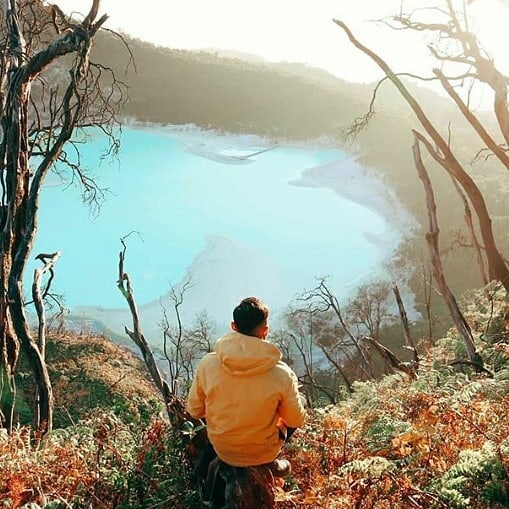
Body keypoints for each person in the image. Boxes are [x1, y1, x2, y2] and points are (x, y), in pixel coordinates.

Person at [186, 296, 306, 476]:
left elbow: (194, 411)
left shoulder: (207, 364)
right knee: (301, 402)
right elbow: (295, 421)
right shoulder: (281, 373)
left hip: (222, 449)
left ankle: (206, 472)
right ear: (265, 331)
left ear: (233, 326)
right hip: (263, 453)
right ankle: (271, 465)